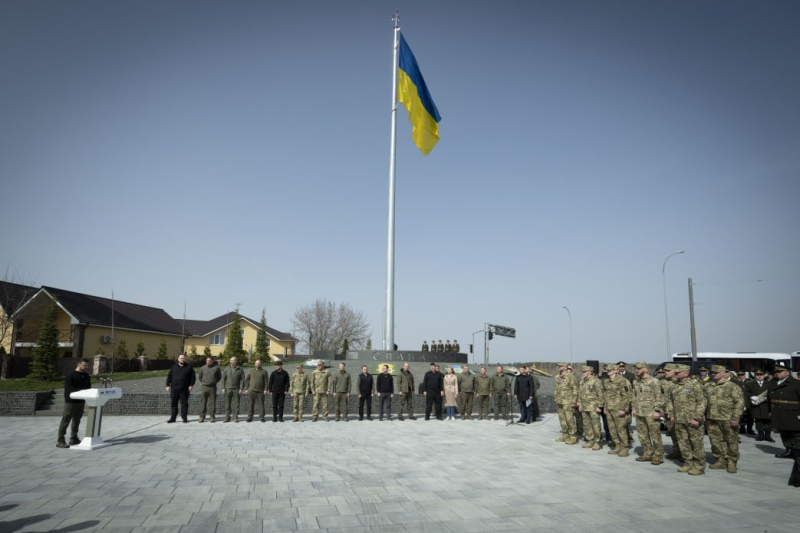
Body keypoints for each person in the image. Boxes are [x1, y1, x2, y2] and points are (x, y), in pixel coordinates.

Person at [668, 363, 707, 475]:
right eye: (675, 372)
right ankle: (688, 463)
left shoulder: (695, 385)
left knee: (696, 443)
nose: (675, 374)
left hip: (692, 420)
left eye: (677, 372)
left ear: (686, 373)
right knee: (683, 443)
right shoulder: (674, 385)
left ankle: (699, 466)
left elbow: (701, 403)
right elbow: (670, 400)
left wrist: (697, 418)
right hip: (679, 419)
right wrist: (672, 413)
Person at [705, 365, 744, 473]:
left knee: (731, 441)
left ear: (724, 373)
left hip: (728, 418)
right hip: (712, 418)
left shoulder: (732, 386)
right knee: (715, 441)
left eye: (716, 373)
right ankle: (720, 460)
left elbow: (739, 403)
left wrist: (735, 417)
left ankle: (732, 461)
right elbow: (704, 402)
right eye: (712, 372)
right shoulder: (708, 386)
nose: (713, 374)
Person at [767, 364, 800, 486]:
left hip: (792, 416)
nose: (777, 373)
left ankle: (795, 454)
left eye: (780, 372)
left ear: (787, 372)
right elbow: (769, 398)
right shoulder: (773, 383)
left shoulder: (796, 383)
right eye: (776, 372)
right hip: (779, 415)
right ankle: (789, 451)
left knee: (796, 439)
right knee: (786, 436)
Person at [631, 362, 665, 465]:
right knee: (642, 434)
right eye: (636, 369)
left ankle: (658, 456)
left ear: (646, 369)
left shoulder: (654, 381)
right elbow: (634, 396)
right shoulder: (636, 382)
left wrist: (657, 410)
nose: (637, 370)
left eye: (639, 369)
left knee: (655, 435)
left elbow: (660, 396)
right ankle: (647, 453)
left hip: (651, 413)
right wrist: (634, 408)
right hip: (640, 412)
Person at [57, 359, 91, 447]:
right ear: (79, 365)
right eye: (84, 365)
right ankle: (60, 440)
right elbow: (69, 388)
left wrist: (86, 392)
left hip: (81, 401)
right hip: (71, 401)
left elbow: (88, 386)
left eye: (87, 366)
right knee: (66, 420)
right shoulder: (71, 375)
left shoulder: (86, 375)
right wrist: (81, 390)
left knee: (77, 420)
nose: (86, 367)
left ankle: (74, 438)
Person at [603, 364, 632, 457]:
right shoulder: (606, 381)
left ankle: (625, 447)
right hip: (610, 408)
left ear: (616, 370)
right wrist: (605, 407)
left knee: (621, 429)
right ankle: (617, 445)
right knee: (612, 428)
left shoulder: (622, 381)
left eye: (610, 370)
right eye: (607, 370)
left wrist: (623, 408)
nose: (608, 371)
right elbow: (606, 395)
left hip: (619, 409)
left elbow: (627, 395)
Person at [577, 365, 604, 449]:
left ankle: (597, 442)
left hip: (593, 407)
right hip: (585, 407)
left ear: (590, 372)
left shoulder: (596, 381)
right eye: (582, 372)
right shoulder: (582, 381)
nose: (582, 373)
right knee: (587, 425)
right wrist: (580, 404)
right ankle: (590, 440)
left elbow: (600, 394)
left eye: (584, 372)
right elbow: (580, 394)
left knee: (595, 425)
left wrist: (599, 406)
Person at [745, 369, 774, 442]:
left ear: (764, 375)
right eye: (757, 375)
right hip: (756, 405)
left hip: (767, 405)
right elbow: (746, 393)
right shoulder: (749, 384)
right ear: (754, 376)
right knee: (758, 420)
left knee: (768, 421)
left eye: (761, 375)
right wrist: (751, 396)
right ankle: (760, 435)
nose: (759, 376)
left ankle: (768, 436)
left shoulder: (770, 384)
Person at [166, 354, 196, 424]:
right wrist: (167, 385)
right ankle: (173, 418)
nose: (183, 359)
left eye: (184, 358)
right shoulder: (173, 367)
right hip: (174, 389)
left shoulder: (189, 367)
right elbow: (169, 376)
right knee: (174, 404)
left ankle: (184, 418)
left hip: (184, 389)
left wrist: (191, 385)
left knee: (184, 404)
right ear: (178, 359)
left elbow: (193, 377)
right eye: (181, 358)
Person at [554, 362, 578, 443]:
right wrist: (556, 398)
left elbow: (575, 388)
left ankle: (572, 437)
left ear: (565, 367)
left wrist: (574, 401)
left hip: (568, 401)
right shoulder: (558, 377)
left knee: (569, 419)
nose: (559, 367)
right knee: (562, 419)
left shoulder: (570, 376)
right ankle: (565, 435)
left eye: (561, 366)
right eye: (558, 366)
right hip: (560, 400)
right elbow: (557, 389)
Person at [197, 356, 221, 423]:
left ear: (212, 361)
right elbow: (200, 377)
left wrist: (213, 382)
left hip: (212, 387)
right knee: (203, 402)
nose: (208, 362)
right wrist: (204, 382)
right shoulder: (202, 368)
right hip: (204, 387)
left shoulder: (216, 368)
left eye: (209, 361)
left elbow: (219, 377)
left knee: (212, 403)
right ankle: (202, 417)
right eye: (207, 360)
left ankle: (212, 416)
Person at [221, 356, 244, 423]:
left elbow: (242, 380)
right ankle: (227, 417)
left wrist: (241, 388)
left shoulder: (240, 369)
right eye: (231, 360)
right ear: (230, 361)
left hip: (236, 389)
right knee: (227, 403)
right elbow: (223, 379)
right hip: (228, 389)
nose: (232, 361)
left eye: (234, 360)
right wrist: (223, 387)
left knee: (236, 404)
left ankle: (235, 417)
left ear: (236, 361)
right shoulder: (226, 369)